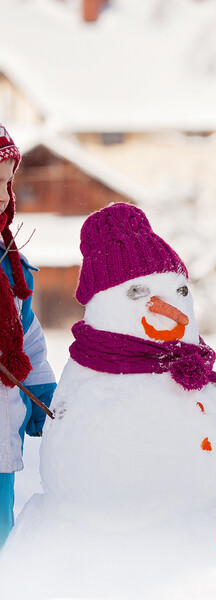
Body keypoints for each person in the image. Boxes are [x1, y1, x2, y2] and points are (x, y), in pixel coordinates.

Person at [0, 124, 56, 547]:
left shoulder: (10, 266)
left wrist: (40, 391)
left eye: (6, 183)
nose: (3, 194)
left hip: (4, 433)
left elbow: (28, 338)